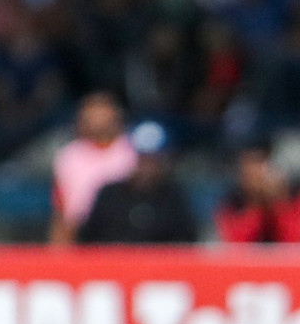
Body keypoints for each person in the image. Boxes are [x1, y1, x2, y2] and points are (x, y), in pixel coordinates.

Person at [77, 121, 200, 244]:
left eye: (153, 160)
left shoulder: (174, 198)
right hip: (113, 261)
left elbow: (186, 242)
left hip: (158, 262)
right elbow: (88, 240)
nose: (146, 166)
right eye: (142, 158)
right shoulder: (109, 194)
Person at [49, 92, 137, 246]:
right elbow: (61, 208)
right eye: (91, 114)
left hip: (124, 232)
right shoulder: (69, 155)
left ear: (116, 116)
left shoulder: (131, 151)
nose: (97, 119)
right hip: (80, 231)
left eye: (103, 113)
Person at [214, 140, 300, 243]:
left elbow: (296, 239)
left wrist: (279, 200)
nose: (258, 176)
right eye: (250, 169)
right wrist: (255, 203)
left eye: (262, 165)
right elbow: (237, 243)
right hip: (249, 262)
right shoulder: (230, 200)